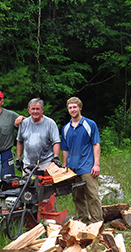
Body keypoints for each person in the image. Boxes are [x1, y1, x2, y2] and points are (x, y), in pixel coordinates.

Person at [61, 96, 102, 224]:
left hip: (87, 167)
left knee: (92, 196)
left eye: (74, 107)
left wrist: (96, 164)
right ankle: (84, 223)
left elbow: (96, 144)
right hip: (73, 169)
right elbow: (65, 149)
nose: (72, 110)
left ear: (80, 108)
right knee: (77, 197)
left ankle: (97, 224)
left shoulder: (89, 124)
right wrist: (65, 167)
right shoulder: (66, 128)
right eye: (70, 108)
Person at [16, 98, 61, 174]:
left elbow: (56, 142)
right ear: (29, 110)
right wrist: (18, 157)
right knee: (27, 184)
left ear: (42, 110)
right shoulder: (24, 123)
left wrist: (56, 157)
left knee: (46, 185)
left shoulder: (50, 123)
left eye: (38, 109)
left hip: (46, 162)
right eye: (33, 109)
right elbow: (20, 141)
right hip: (28, 163)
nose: (35, 112)